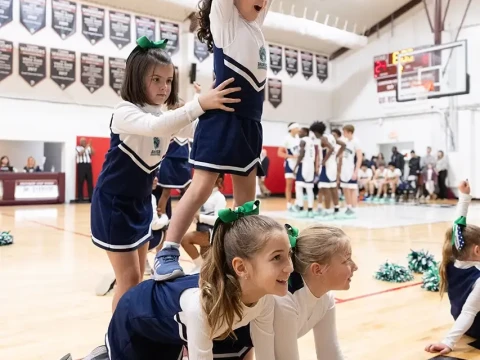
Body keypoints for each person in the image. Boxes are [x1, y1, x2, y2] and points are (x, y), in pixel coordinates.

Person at [90, 35, 240, 312]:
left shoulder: (160, 114)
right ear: (136, 79)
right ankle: (119, 341)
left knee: (137, 278)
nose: (163, 87)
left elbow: (196, 131)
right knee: (129, 279)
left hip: (140, 204)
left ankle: (130, 335)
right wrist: (199, 104)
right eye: (155, 79)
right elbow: (159, 126)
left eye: (168, 81)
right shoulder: (125, 111)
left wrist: (225, 116)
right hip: (114, 205)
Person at [77, 201, 293, 360]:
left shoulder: (264, 300)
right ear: (240, 267)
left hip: (168, 334)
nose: (290, 267)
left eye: (289, 254)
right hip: (135, 319)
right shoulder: (201, 307)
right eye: (276, 257)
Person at [153, 0, 274, 282]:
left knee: (247, 199)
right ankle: (167, 251)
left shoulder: (256, 26)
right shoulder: (227, 21)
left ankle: (244, 253)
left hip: (250, 124)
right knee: (201, 188)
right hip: (222, 120)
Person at [272, 224, 357, 360]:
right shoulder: (285, 301)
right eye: (346, 260)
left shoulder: (326, 297)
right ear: (317, 270)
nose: (355, 267)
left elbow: (330, 354)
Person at [425, 180, 480, 355]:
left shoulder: (450, 261)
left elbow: (457, 230)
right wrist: (448, 342)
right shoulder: (478, 279)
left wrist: (464, 197)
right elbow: (469, 312)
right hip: (476, 326)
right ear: (477, 250)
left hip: (465, 324)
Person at [181, 174, 227, 273]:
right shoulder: (203, 196)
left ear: (219, 180)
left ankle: (200, 268)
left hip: (211, 232)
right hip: (201, 229)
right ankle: (205, 271)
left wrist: (200, 217)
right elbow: (197, 216)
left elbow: (219, 219)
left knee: (185, 239)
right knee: (207, 261)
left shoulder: (219, 197)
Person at [310, 122, 344, 220]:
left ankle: (328, 211)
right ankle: (336, 209)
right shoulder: (331, 136)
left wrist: (323, 161)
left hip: (327, 166)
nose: (313, 134)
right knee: (333, 188)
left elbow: (331, 148)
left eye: (314, 132)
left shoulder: (323, 138)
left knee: (325, 189)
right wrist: (336, 156)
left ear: (317, 131)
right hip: (333, 165)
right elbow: (343, 145)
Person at [292, 127, 316, 218]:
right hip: (311, 166)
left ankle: (301, 207)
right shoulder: (312, 141)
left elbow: (301, 154)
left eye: (301, 131)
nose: (299, 133)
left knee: (299, 187)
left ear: (306, 132)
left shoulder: (303, 141)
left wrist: (296, 166)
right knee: (309, 189)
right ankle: (310, 210)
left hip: (304, 166)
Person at [339, 125, 362, 218]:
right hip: (343, 169)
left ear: (349, 132)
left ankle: (354, 209)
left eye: (344, 132)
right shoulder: (344, 141)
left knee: (352, 189)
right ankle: (348, 207)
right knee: (345, 188)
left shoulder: (356, 141)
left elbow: (359, 157)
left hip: (351, 168)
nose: (343, 134)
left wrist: (356, 171)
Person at [278, 123, 301, 209]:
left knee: (299, 184)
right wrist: (291, 156)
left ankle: (298, 202)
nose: (299, 129)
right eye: (297, 127)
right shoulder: (286, 138)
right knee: (289, 184)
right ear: (292, 129)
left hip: (298, 164)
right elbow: (279, 153)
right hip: (290, 163)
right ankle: (289, 203)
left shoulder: (299, 138)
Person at [76, 137, 94, 201]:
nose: (84, 142)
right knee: (80, 181)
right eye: (82, 141)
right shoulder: (77, 148)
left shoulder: (88, 148)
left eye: (84, 141)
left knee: (90, 181)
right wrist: (86, 147)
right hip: (81, 165)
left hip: (88, 165)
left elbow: (93, 153)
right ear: (80, 142)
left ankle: (91, 197)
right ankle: (80, 198)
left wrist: (91, 146)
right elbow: (80, 153)